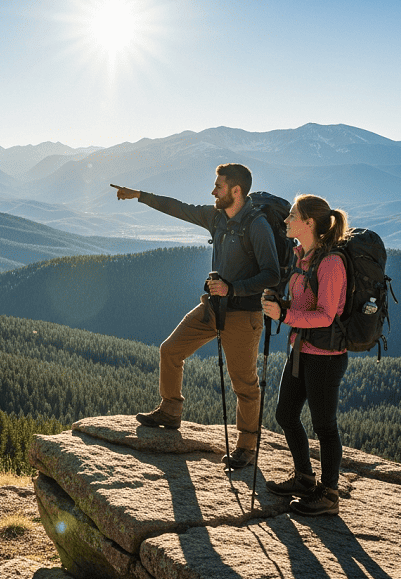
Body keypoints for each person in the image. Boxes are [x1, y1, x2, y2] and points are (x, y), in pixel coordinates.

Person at [112, 163, 280, 469]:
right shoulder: (217, 217)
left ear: (236, 190)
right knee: (170, 350)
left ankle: (246, 446)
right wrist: (139, 195)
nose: (212, 191)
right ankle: (170, 411)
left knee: (244, 383)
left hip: (243, 315)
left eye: (218, 186)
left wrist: (232, 288)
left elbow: (272, 274)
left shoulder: (257, 226)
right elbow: (180, 208)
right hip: (213, 308)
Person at [261, 194, 349, 516]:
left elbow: (326, 315)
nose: (286, 221)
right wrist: (282, 306)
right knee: (285, 415)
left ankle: (328, 495)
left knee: (324, 426)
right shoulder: (303, 257)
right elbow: (304, 306)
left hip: (325, 356)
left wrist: (284, 317)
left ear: (308, 223)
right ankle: (304, 478)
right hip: (301, 350)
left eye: (292, 216)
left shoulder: (330, 263)